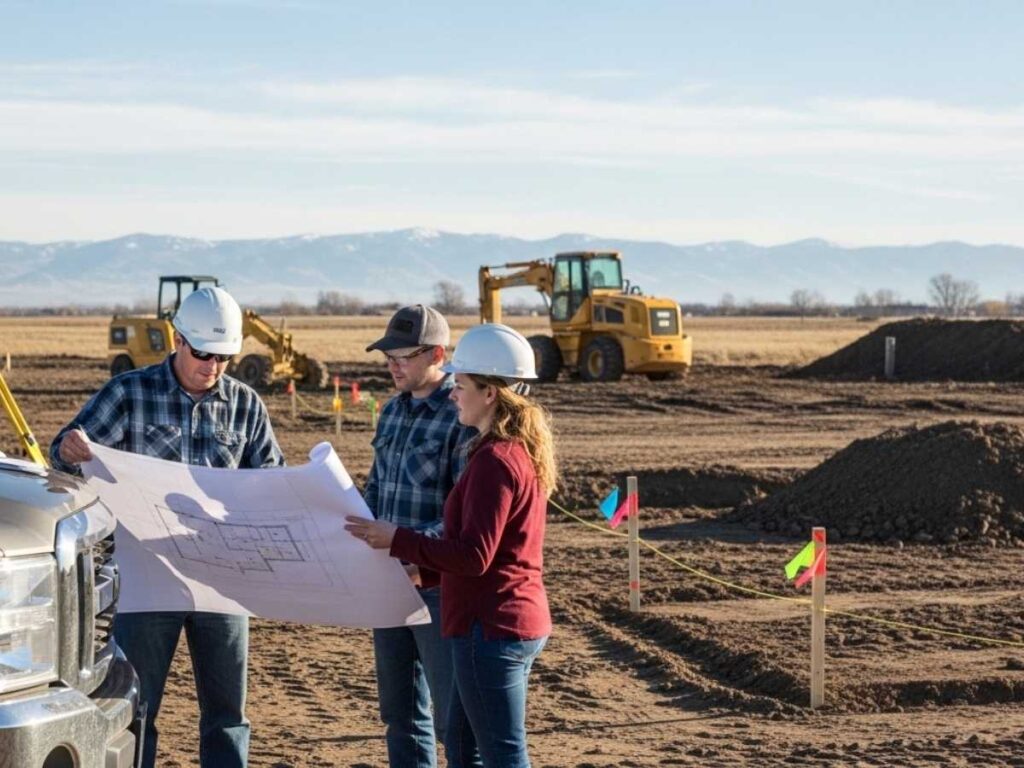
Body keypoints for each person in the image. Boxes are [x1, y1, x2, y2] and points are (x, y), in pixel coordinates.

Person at [50, 286, 284, 768]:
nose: (212, 366)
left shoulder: (245, 405)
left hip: (222, 584)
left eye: (223, 356)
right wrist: (69, 449)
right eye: (203, 352)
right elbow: (65, 455)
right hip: (147, 579)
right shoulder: (129, 393)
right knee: (136, 705)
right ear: (177, 339)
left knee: (227, 715)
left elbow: (271, 480)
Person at [347, 322, 556, 768]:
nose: (454, 394)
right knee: (463, 746)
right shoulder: (506, 453)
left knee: (498, 751)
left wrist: (399, 540)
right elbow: (483, 548)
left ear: (491, 394)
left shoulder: (495, 462)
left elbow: (475, 555)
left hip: (491, 623)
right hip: (490, 617)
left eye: (460, 385)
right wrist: (423, 568)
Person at [363, 304, 476, 768]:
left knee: (455, 719)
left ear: (436, 353)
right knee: (400, 714)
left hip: (437, 588)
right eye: (388, 355)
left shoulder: (461, 415)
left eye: (403, 355)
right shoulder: (391, 412)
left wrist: (412, 552)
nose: (393, 364)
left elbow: (466, 514)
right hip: (387, 581)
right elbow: (376, 489)